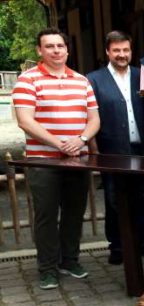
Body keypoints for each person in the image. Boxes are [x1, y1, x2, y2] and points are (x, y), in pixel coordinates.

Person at [12, 28, 100, 289]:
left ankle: (70, 260)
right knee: (46, 216)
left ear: (67, 50)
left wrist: (81, 140)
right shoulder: (27, 80)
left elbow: (94, 119)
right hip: (44, 161)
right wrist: (59, 144)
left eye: (60, 46)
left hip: (77, 158)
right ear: (40, 50)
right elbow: (25, 120)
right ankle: (47, 268)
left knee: (75, 213)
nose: (56, 50)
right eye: (49, 46)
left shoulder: (82, 81)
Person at [87, 31, 144, 265]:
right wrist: (94, 150)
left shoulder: (141, 76)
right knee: (115, 199)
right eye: (117, 50)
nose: (122, 55)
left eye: (126, 50)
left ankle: (142, 240)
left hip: (142, 149)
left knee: (143, 197)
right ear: (108, 51)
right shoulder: (94, 79)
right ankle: (117, 245)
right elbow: (89, 117)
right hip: (112, 150)